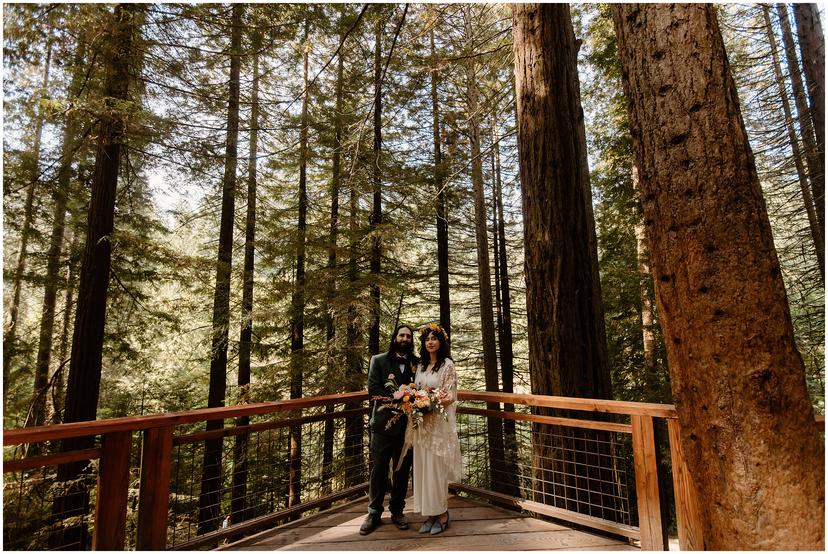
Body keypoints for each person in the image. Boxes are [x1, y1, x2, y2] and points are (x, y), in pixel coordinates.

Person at [360, 324, 419, 535]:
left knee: (402, 471)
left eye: (409, 336)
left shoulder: (416, 363)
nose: (405, 338)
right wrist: (394, 397)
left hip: (408, 428)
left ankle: (397, 511)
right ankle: (374, 513)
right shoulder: (378, 360)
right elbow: (373, 390)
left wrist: (416, 398)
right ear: (395, 338)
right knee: (378, 471)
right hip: (382, 425)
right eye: (402, 335)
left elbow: (422, 389)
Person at [406, 323, 462, 535]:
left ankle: (443, 513)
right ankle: (430, 513)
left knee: (436, 469)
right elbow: (416, 389)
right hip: (421, 424)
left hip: (438, 424)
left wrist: (429, 403)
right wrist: (414, 402)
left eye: (434, 338)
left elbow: (449, 396)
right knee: (423, 468)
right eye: (427, 339)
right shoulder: (420, 365)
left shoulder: (447, 365)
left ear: (441, 342)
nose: (430, 342)